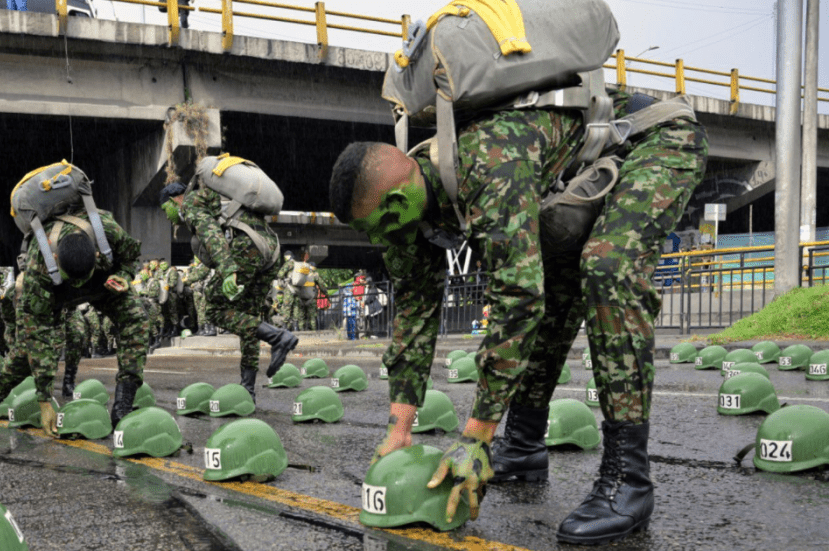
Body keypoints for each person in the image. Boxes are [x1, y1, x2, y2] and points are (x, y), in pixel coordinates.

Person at [329, 87, 707, 543]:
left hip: (654, 139)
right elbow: (413, 315)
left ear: (394, 206)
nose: (377, 242)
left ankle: (628, 481)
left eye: (375, 230)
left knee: (608, 266)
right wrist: (399, 428)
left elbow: (517, 300)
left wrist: (476, 436)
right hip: (578, 174)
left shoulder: (487, 164)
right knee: (556, 285)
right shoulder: (405, 216)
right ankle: (524, 444)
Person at [0, 161, 151, 436]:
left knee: (136, 318)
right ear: (54, 258)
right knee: (24, 356)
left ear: (96, 252)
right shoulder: (38, 265)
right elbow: (38, 338)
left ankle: (124, 403)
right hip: (53, 294)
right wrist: (44, 399)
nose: (78, 285)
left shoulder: (105, 229)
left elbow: (130, 255)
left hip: (102, 283)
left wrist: (125, 275)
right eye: (72, 277)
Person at [158, 169, 298, 403]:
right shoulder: (220, 199)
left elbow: (211, 235)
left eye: (166, 209)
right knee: (248, 318)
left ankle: (278, 337)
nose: (168, 216)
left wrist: (228, 270)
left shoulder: (192, 201)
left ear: (175, 200)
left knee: (213, 307)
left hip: (246, 248)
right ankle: (248, 390)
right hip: (271, 250)